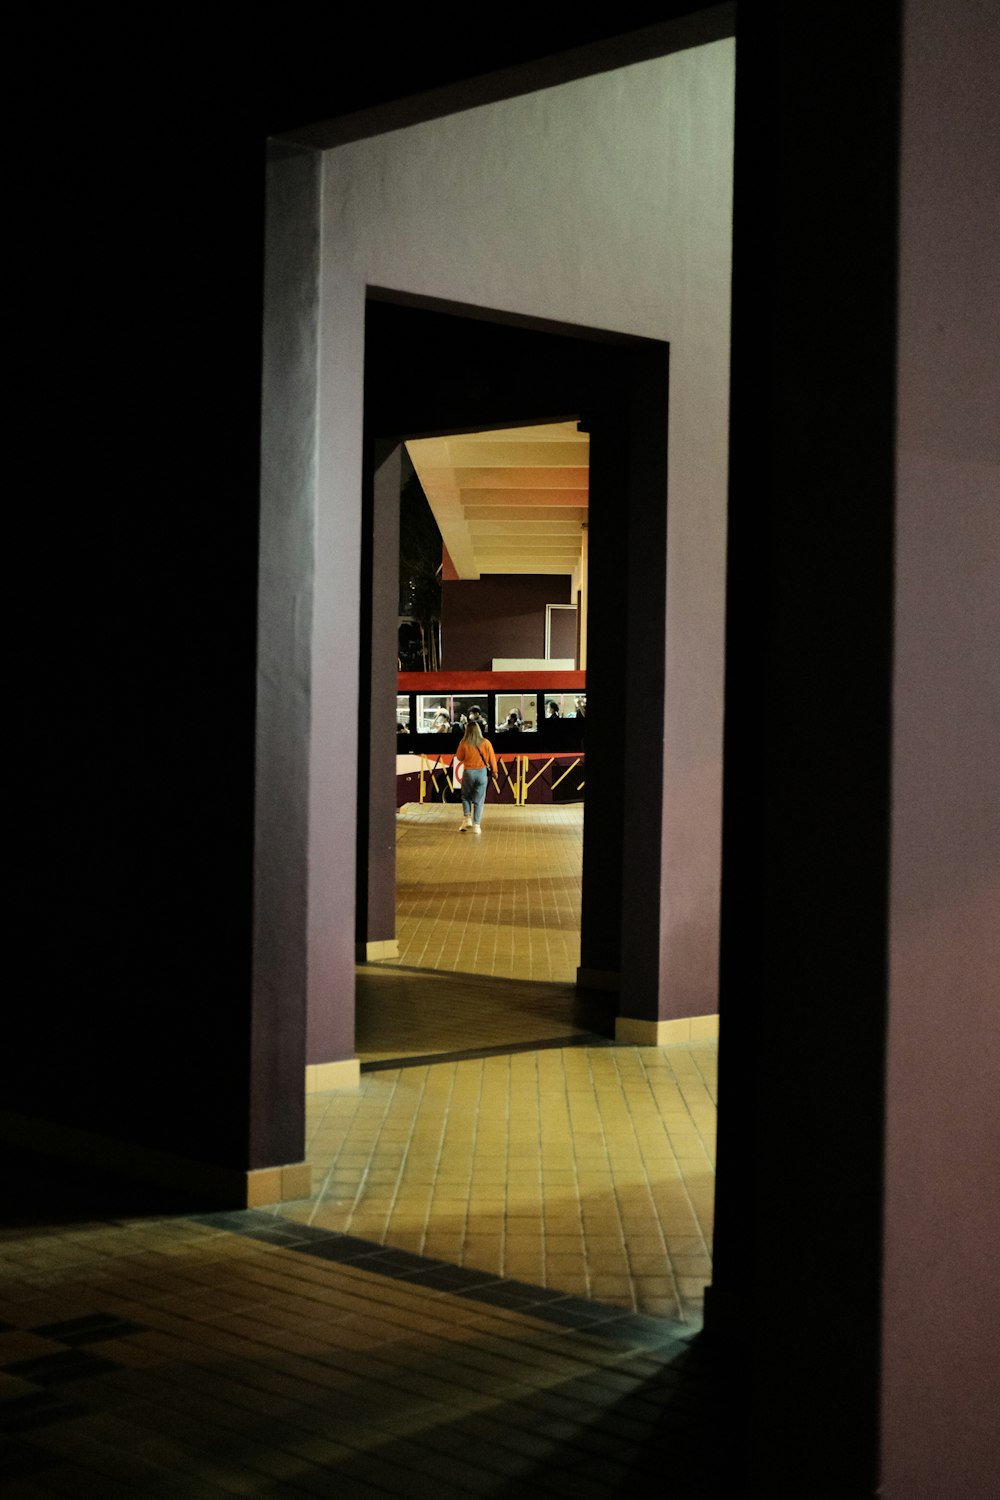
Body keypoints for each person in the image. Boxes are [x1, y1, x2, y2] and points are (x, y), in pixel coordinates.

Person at [454, 720, 498, 835]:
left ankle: (467, 818)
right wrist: (494, 771)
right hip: (482, 773)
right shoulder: (486, 743)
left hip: (469, 772)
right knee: (479, 800)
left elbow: (459, 757)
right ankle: (477, 826)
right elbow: (492, 758)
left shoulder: (464, 743)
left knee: (465, 796)